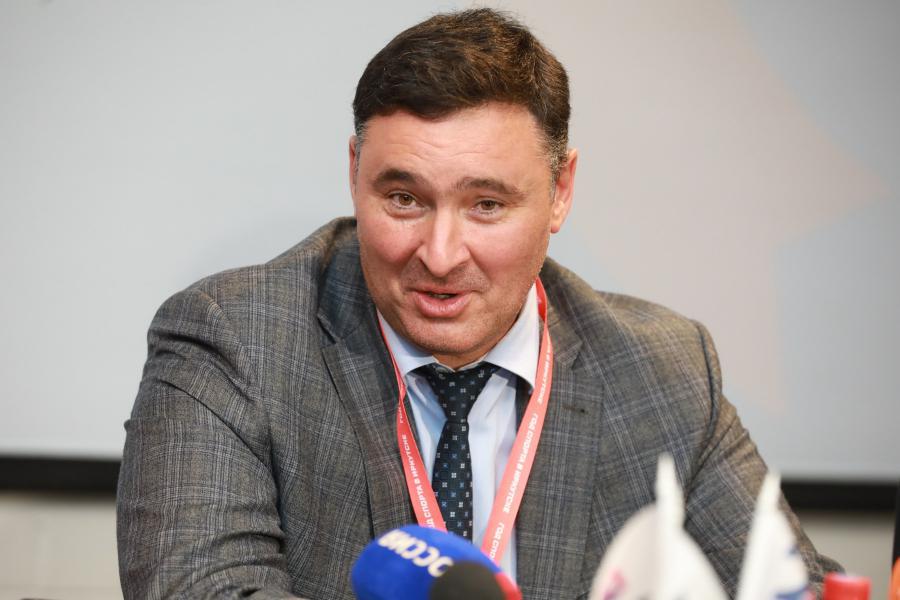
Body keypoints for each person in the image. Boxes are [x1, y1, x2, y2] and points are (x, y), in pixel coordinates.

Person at [117, 8, 838, 599]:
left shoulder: (664, 373)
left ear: (560, 193)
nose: (439, 255)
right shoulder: (234, 342)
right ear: (355, 173)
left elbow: (791, 589)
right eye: (404, 198)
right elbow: (201, 591)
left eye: (486, 205)